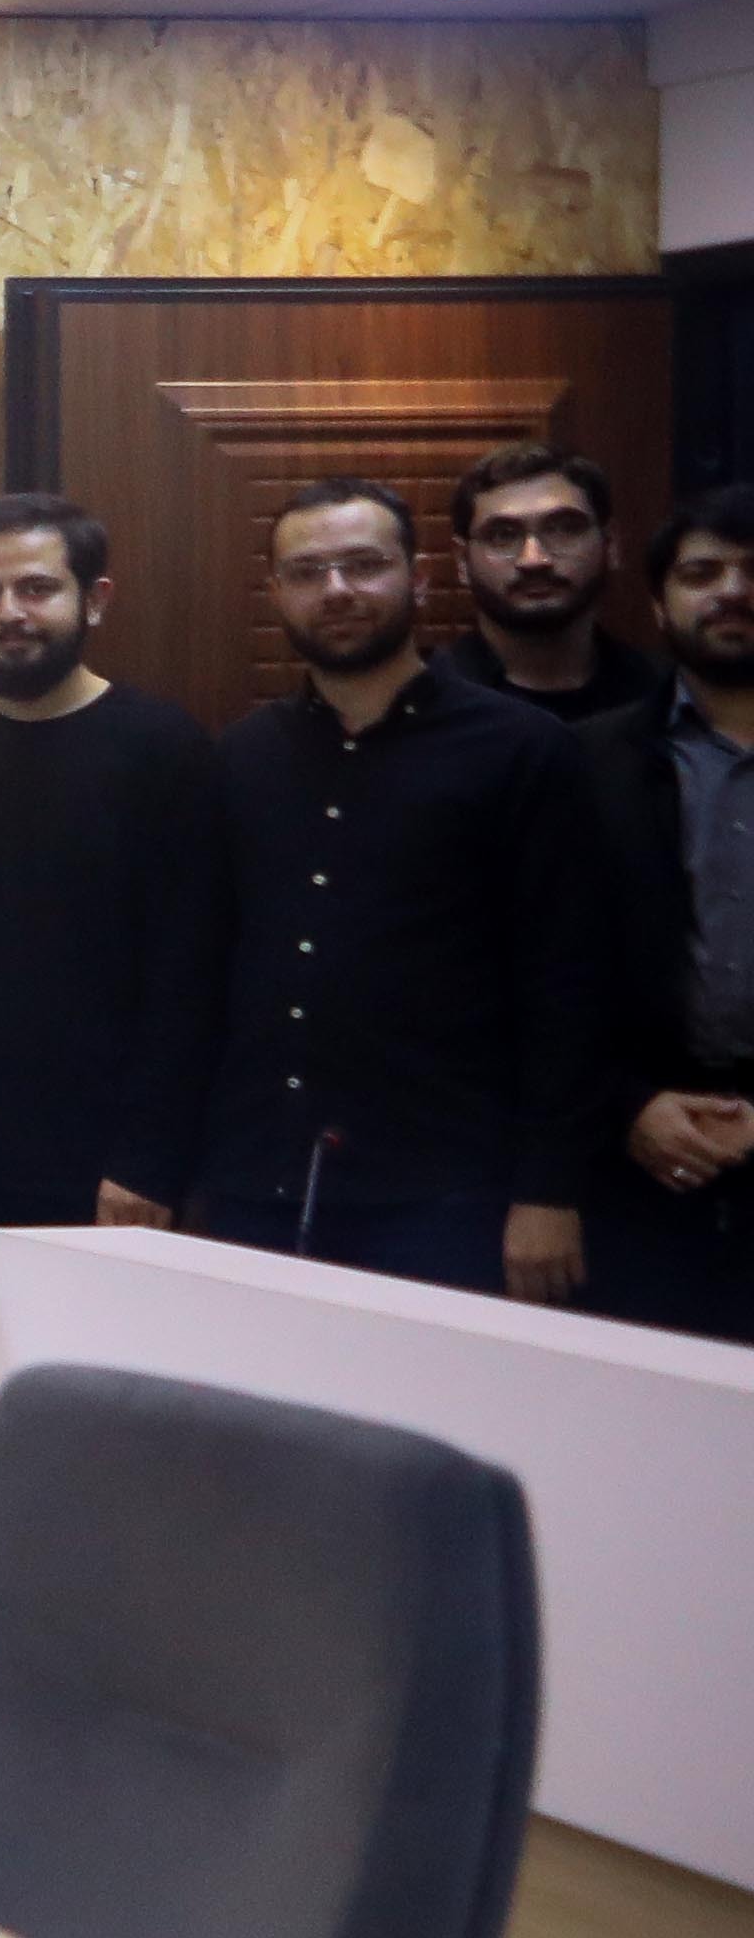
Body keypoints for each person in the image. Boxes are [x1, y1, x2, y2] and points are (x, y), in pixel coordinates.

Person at [199, 479, 605, 1300]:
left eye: (364, 565)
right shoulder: (241, 757)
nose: (336, 590)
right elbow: (203, 973)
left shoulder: (522, 749)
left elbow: (566, 987)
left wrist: (548, 1190)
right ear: (276, 593)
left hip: (446, 1195)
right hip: (257, 1181)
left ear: (418, 581)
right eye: (307, 572)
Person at [0, 490, 223, 1248]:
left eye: (37, 588)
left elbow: (189, 980)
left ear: (94, 600)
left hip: (106, 1173)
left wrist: (150, 1160)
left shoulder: (167, 753)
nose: (10, 612)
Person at [573, 484, 754, 1337]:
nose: (732, 591)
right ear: (657, 603)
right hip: (635, 1162)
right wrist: (629, 1106)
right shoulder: (587, 762)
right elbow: (549, 969)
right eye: (702, 573)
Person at [434, 443, 668, 729]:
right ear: (462, 561)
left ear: (610, 545)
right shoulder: (425, 705)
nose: (534, 560)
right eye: (502, 536)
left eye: (564, 529)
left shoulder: (670, 696)